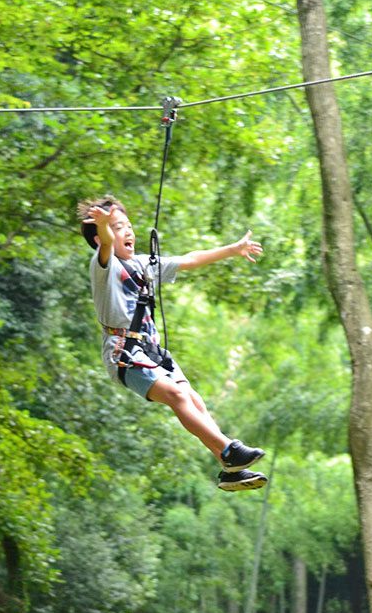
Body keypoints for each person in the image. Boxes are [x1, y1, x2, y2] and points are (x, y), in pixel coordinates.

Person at [77, 195, 268, 491]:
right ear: (102, 235)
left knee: (192, 399)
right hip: (124, 353)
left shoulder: (143, 264)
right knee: (177, 398)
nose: (127, 231)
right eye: (117, 227)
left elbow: (189, 260)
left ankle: (229, 468)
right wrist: (103, 227)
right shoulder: (104, 267)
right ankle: (229, 449)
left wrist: (234, 249)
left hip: (151, 351)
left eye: (128, 225)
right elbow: (104, 243)